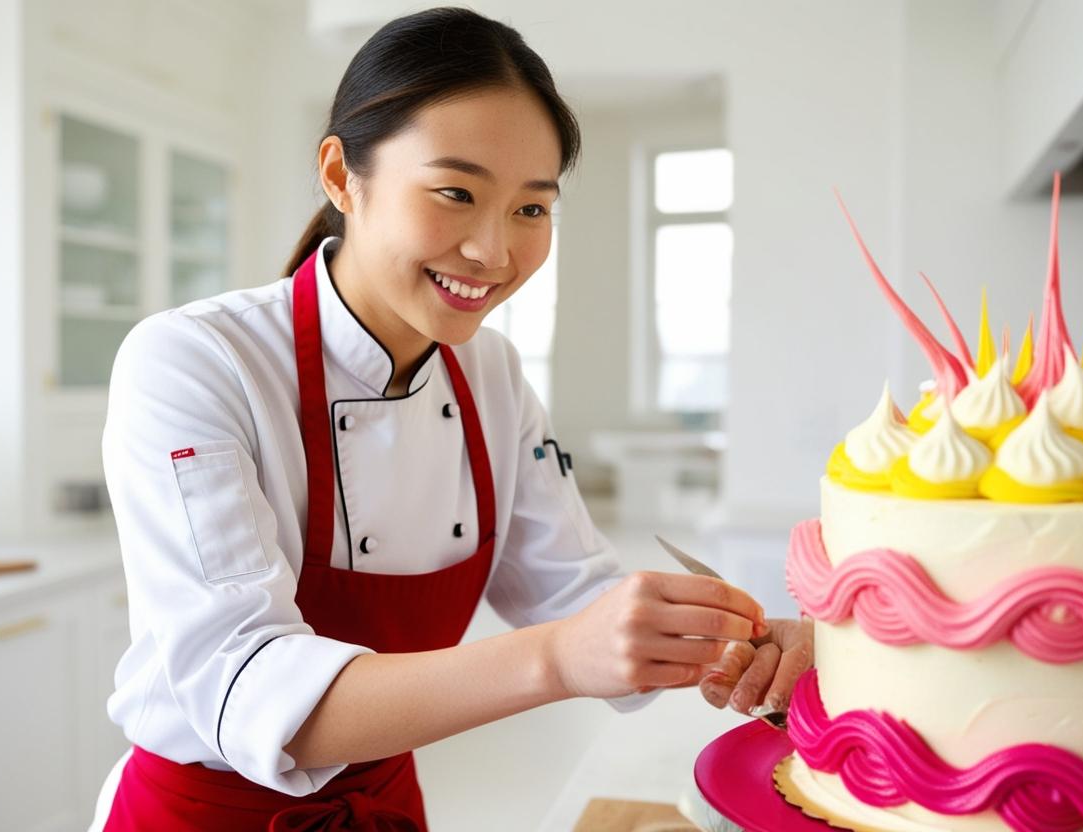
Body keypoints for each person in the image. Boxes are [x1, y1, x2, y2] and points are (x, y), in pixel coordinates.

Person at [92, 7, 812, 830]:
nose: (493, 253)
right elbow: (245, 685)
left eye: (531, 209)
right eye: (455, 193)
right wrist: (556, 660)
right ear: (340, 174)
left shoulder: (490, 373)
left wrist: (743, 640)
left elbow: (576, 594)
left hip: (388, 805)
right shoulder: (196, 361)